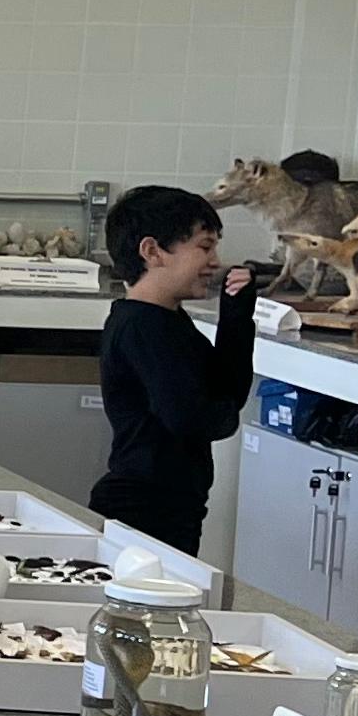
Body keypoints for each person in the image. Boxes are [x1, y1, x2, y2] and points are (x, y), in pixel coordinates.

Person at [90, 185, 262, 555]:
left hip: (175, 507)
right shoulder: (142, 327)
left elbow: (226, 391)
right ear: (152, 251)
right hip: (142, 511)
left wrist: (236, 315)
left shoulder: (169, 320)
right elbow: (193, 417)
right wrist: (224, 415)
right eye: (204, 246)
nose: (215, 260)